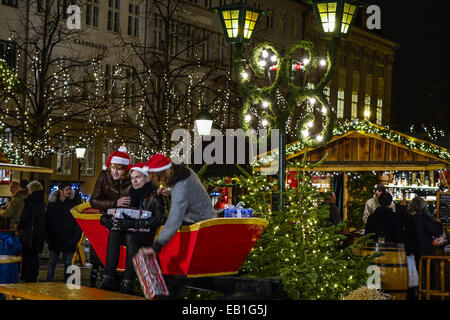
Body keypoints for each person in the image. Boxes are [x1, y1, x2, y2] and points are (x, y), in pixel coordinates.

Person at [98, 162, 166, 294]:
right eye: (132, 178)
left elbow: (159, 219)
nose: (134, 181)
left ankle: (128, 281)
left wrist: (134, 224)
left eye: (138, 177)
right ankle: (108, 278)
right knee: (114, 234)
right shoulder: (130, 194)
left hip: (148, 235)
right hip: (132, 232)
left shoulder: (155, 195)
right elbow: (120, 213)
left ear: (146, 178)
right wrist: (105, 219)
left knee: (130, 236)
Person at [140, 154, 215, 257]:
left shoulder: (181, 187)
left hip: (198, 220)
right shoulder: (185, 172)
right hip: (205, 214)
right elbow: (190, 194)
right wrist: (170, 192)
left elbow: (174, 220)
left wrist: (156, 247)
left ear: (165, 172)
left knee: (163, 224)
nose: (161, 181)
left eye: (160, 178)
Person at [89, 145, 132, 287]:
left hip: (126, 221)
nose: (115, 171)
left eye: (119, 168)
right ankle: (105, 278)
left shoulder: (132, 179)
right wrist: (114, 203)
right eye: (113, 167)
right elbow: (94, 200)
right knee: (103, 253)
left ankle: (124, 280)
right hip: (107, 219)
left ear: (125, 169)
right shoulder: (103, 177)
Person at [45, 181, 82, 282]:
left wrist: (74, 239)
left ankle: (68, 286)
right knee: (52, 264)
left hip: (68, 241)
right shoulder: (52, 205)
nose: (69, 191)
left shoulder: (73, 206)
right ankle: (48, 285)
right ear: (61, 191)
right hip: (54, 240)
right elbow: (47, 222)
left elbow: (77, 224)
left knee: (68, 264)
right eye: (67, 189)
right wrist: (49, 238)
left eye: (70, 189)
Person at [17, 180, 46, 282]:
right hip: (38, 235)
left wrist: (19, 227)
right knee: (34, 256)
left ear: (32, 190)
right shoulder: (42, 203)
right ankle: (33, 276)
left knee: (27, 256)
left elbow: (25, 218)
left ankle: (27, 276)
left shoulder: (30, 202)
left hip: (29, 234)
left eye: (29, 189)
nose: (28, 191)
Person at [404, 196, 443, 269]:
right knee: (428, 274)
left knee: (414, 274)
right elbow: (435, 230)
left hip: (411, 251)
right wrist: (438, 223)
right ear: (423, 206)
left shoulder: (407, 217)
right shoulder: (425, 218)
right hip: (425, 252)